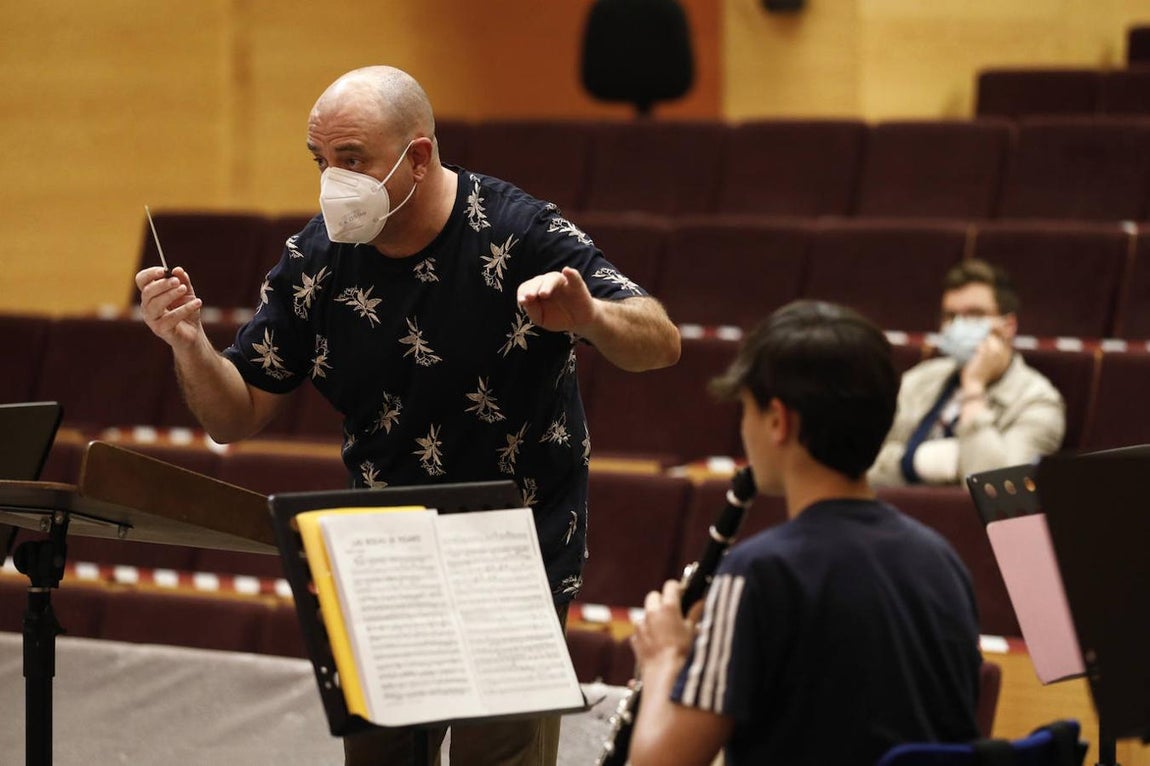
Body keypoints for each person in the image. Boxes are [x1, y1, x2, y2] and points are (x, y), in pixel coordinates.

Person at [135, 65, 680, 766]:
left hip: (513, 557)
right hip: (382, 559)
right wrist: (189, 343)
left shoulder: (518, 231)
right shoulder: (315, 260)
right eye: (320, 161)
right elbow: (235, 414)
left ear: (417, 157)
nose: (333, 181)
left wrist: (591, 316)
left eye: (353, 160)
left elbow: (659, 341)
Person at [628, 300, 982, 766]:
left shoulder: (755, 573)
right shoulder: (943, 561)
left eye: (746, 410)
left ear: (778, 421)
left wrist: (663, 658)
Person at [870, 258, 1065, 486]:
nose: (958, 326)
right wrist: (914, 462)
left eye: (975, 314)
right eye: (950, 316)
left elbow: (1002, 494)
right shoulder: (920, 379)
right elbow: (860, 465)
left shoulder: (1038, 403)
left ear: (1008, 326)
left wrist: (974, 388)